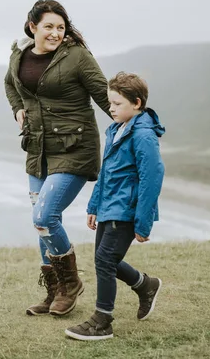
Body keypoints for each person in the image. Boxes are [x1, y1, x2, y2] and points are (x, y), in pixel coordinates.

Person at [4, 0, 111, 316]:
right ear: (32, 26)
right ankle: (54, 292)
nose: (55, 33)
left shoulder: (77, 56)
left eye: (60, 27)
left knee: (43, 216)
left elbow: (104, 94)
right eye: (48, 26)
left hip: (75, 149)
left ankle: (71, 284)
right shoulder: (19, 55)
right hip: (38, 149)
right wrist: (17, 109)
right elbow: (10, 85)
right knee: (43, 221)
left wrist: (137, 123)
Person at [65, 71, 165, 340]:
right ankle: (146, 285)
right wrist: (93, 205)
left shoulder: (143, 135)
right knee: (105, 260)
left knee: (105, 260)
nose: (111, 109)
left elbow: (152, 178)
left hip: (127, 209)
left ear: (137, 103)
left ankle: (102, 321)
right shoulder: (116, 129)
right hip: (109, 206)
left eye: (117, 104)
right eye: (110, 103)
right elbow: (107, 171)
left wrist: (142, 222)